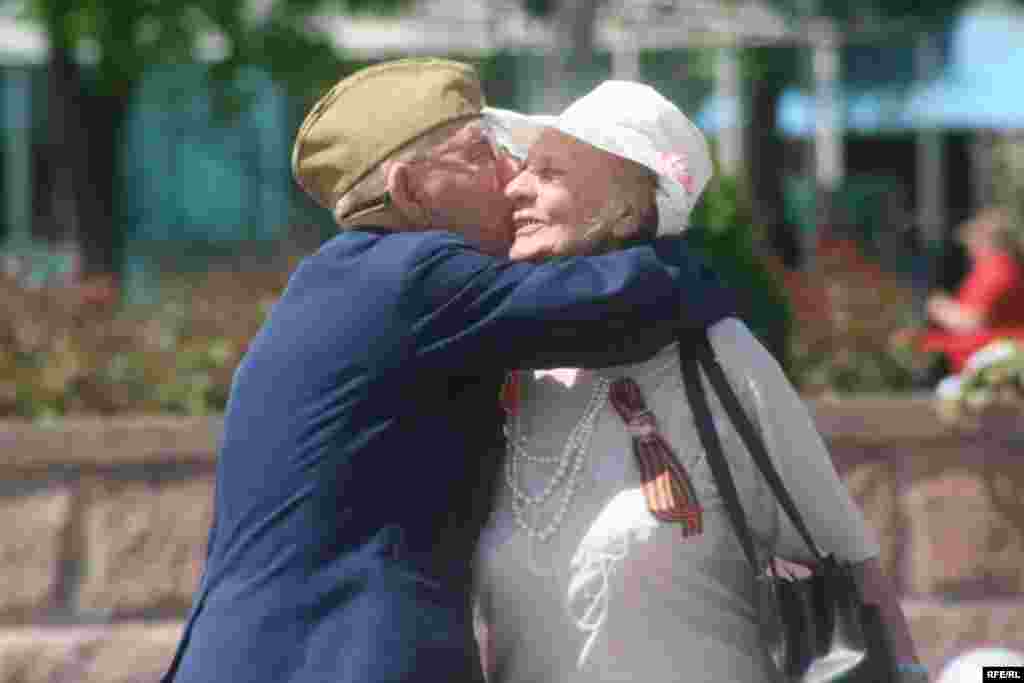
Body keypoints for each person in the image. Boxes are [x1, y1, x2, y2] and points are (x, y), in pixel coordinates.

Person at [159, 59, 739, 683]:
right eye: (482, 154)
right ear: (409, 191)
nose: (513, 173)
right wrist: (660, 223)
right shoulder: (418, 275)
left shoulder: (338, 278)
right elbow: (632, 303)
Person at [474, 81, 926, 683]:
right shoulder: (504, 370)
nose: (516, 188)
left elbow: (847, 564)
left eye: (550, 173)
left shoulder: (717, 355)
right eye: (524, 169)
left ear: (629, 208)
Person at [911, 206, 1024, 373]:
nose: (970, 250)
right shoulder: (993, 269)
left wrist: (937, 306)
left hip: (991, 367)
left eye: (972, 242)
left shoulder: (997, 270)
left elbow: (973, 322)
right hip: (982, 363)